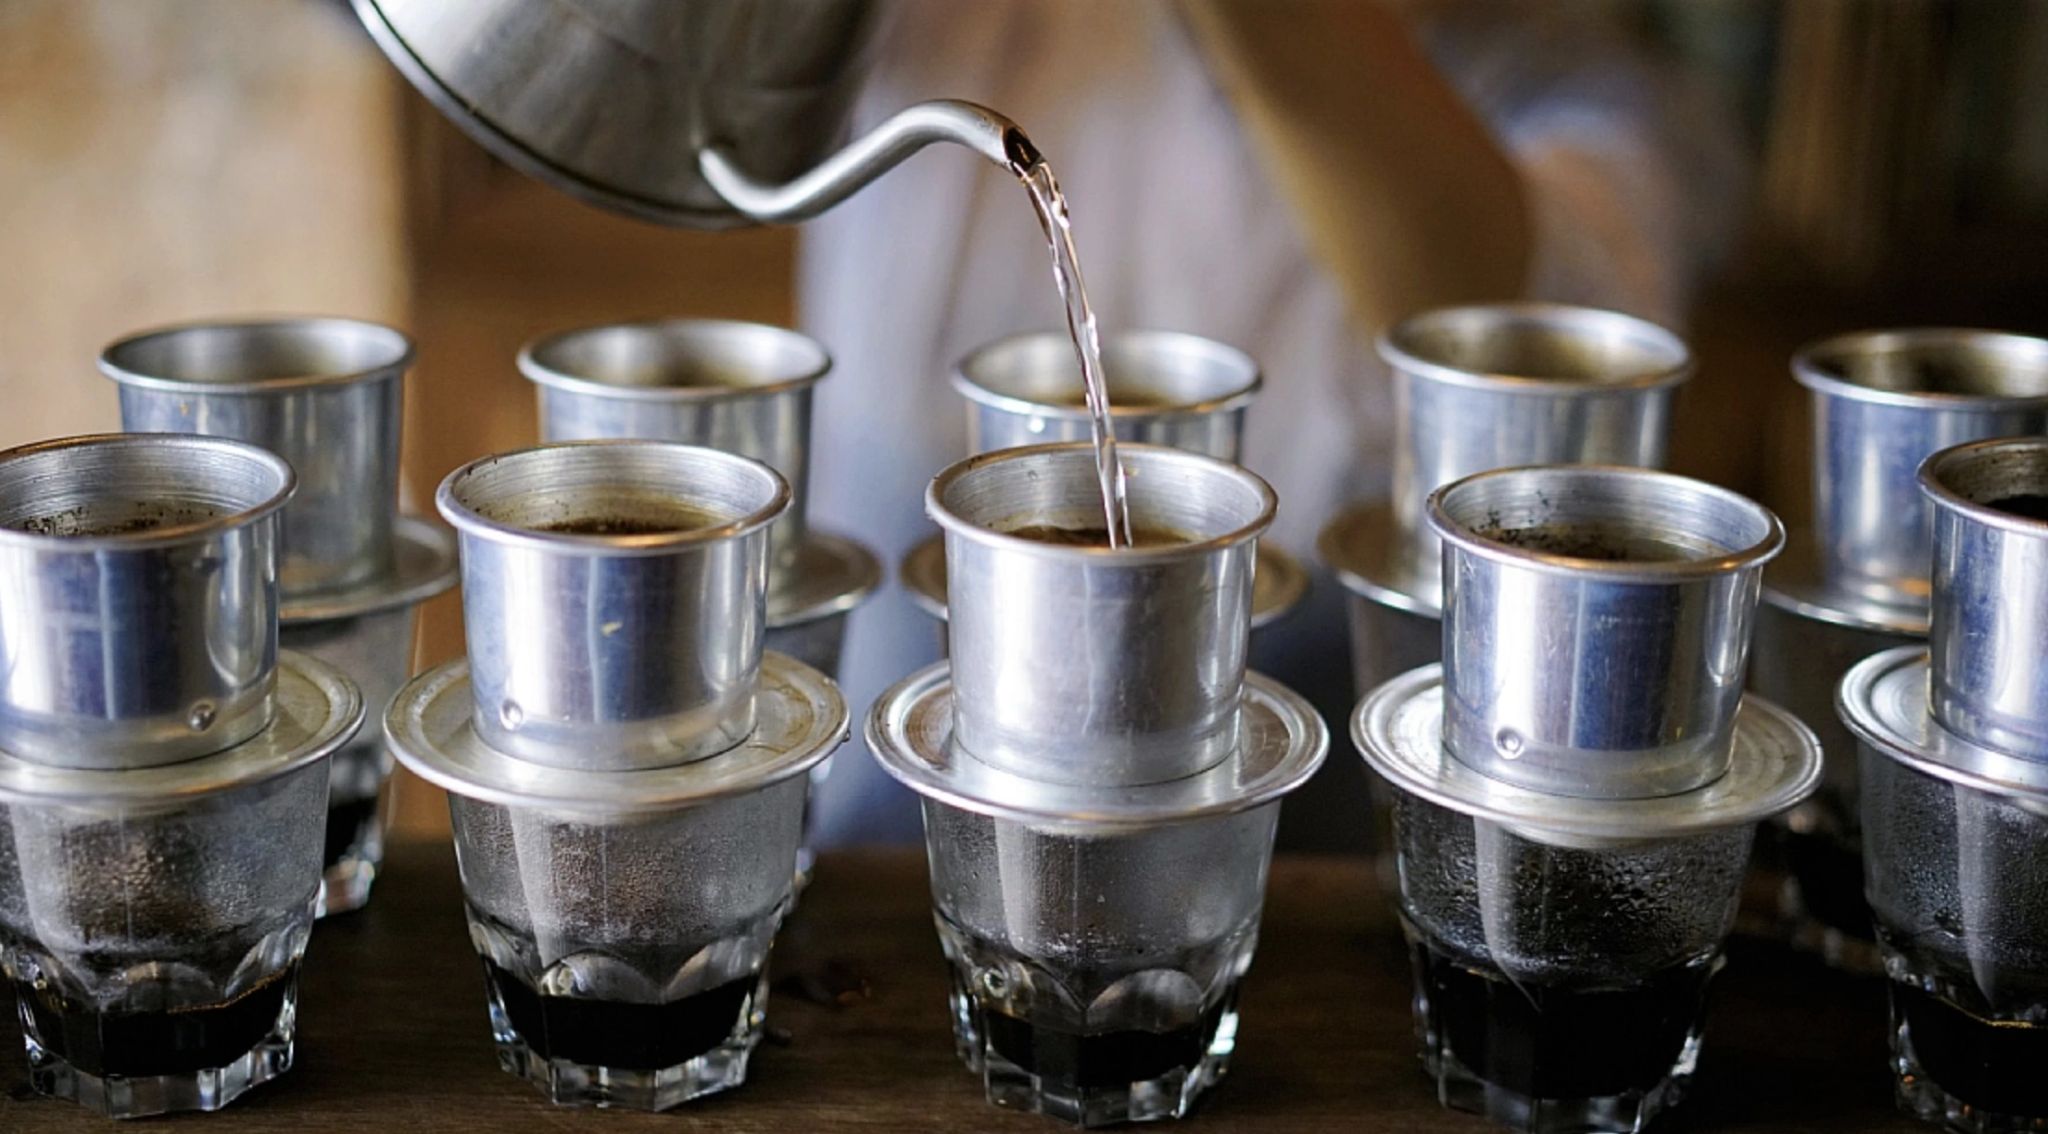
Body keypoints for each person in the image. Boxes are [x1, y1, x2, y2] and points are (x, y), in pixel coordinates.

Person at [798, 0, 1743, 846]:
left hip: (1310, 870)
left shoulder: (1574, 88)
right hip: (885, 828)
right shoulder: (946, 28)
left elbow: (1530, 368)